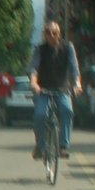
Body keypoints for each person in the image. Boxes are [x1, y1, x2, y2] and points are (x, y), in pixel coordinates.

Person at [30, 21, 82, 159]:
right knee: (40, 115)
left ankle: (63, 146)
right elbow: (34, 68)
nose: (51, 35)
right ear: (44, 35)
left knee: (67, 110)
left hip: (62, 88)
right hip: (43, 89)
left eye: (55, 32)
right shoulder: (40, 49)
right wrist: (34, 83)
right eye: (48, 32)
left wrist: (77, 84)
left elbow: (74, 67)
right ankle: (40, 147)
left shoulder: (68, 47)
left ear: (60, 34)